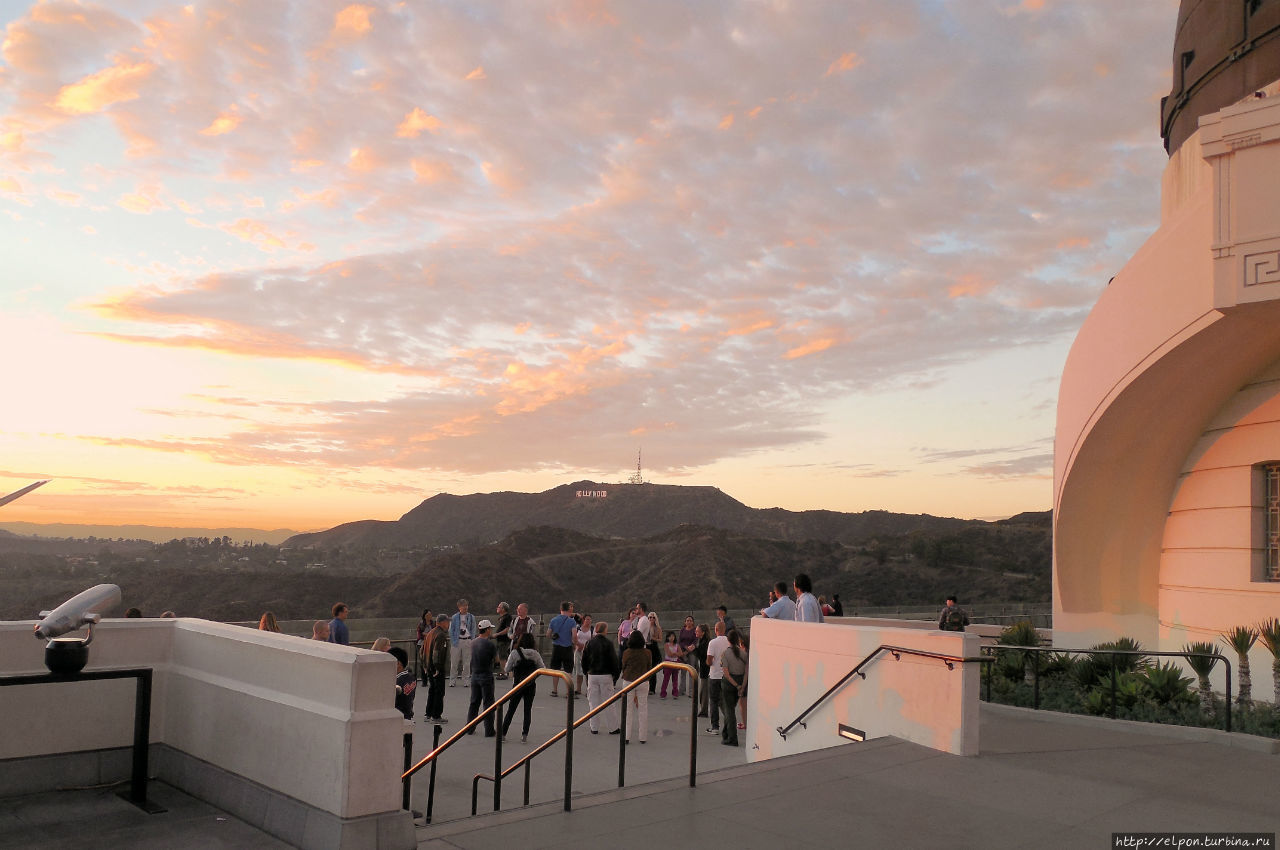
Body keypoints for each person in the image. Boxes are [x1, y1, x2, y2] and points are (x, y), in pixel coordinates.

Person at [502, 632, 545, 742]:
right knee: (527, 710)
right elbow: (542, 669)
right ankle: (524, 735)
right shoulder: (535, 654)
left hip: (517, 684)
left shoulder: (515, 653)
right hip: (530, 685)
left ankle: (503, 733)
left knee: (511, 709)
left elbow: (507, 669)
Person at [581, 621, 621, 735]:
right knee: (608, 703)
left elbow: (584, 660)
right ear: (605, 630)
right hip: (606, 675)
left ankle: (594, 727)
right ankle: (613, 728)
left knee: (593, 702)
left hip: (592, 674)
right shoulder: (608, 643)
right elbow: (614, 660)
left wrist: (586, 672)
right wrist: (615, 676)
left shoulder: (589, 643)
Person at [466, 619, 497, 736]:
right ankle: (489, 730)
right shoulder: (490, 645)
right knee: (488, 703)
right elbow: (497, 660)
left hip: (475, 675)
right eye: (491, 629)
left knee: (474, 702)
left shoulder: (473, 642)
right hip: (486, 675)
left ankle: (469, 727)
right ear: (487, 629)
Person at [619, 631, 650, 744]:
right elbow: (649, 667)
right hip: (643, 680)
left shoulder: (627, 652)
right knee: (643, 709)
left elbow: (623, 666)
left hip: (628, 680)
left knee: (628, 709)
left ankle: (626, 736)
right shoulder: (647, 652)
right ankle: (643, 737)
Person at [719, 629, 748, 747]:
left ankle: (732, 737)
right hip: (741, 681)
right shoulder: (744, 654)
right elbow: (746, 672)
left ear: (728, 640)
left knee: (729, 711)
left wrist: (736, 685)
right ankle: (726, 733)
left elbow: (726, 673)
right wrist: (742, 686)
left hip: (729, 684)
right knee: (730, 709)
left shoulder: (725, 653)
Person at [423, 614, 450, 723]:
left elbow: (423, 650)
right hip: (436, 667)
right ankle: (436, 716)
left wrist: (425, 665)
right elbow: (437, 653)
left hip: (429, 666)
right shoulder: (441, 635)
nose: (448, 625)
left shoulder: (430, 633)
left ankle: (428, 713)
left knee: (432, 690)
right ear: (443, 622)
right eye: (447, 622)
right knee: (439, 691)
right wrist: (438, 668)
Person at [547, 601, 577, 697]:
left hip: (556, 647)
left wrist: (554, 636)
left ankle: (554, 690)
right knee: (568, 670)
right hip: (567, 648)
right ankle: (569, 692)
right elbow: (574, 636)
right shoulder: (571, 621)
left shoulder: (553, 620)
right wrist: (575, 644)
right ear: (569, 609)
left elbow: (548, 634)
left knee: (556, 669)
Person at [705, 621, 729, 735]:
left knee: (714, 701)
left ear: (716, 629)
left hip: (714, 675)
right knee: (725, 701)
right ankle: (730, 723)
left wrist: (708, 662)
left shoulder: (712, 643)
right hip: (726, 675)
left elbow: (709, 661)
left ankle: (715, 727)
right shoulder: (729, 642)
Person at [449, 599, 476, 687]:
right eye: (463, 606)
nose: (465, 607)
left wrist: (472, 640)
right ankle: (452, 680)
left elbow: (473, 629)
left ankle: (466, 680)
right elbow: (451, 630)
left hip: (467, 640)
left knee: (467, 662)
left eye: (466, 605)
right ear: (459, 607)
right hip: (457, 640)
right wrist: (453, 640)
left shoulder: (471, 617)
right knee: (454, 662)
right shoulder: (454, 617)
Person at [389, 646, 415, 720]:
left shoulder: (397, 681)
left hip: (397, 718)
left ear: (397, 664)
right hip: (407, 715)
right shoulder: (411, 677)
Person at [677, 615, 698, 697]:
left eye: (690, 620)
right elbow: (680, 641)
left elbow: (695, 641)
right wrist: (685, 649)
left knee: (691, 672)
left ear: (693, 622)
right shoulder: (682, 630)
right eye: (687, 620)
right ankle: (682, 690)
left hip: (692, 653)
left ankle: (691, 692)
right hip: (683, 653)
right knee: (683, 672)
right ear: (685, 622)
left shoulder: (695, 630)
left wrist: (689, 649)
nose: (689, 622)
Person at [574, 614, 594, 693]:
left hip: (588, 652)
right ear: (583, 620)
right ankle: (578, 689)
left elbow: (594, 640)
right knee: (578, 670)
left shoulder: (592, 629)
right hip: (578, 651)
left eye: (590, 619)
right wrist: (578, 645)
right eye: (587, 619)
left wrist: (586, 647)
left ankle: (588, 689)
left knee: (588, 671)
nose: (588, 621)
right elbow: (574, 638)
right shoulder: (578, 628)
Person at [694, 623, 711, 717]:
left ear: (703, 632)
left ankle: (704, 711)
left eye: (697, 631)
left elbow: (702, 656)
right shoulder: (702, 641)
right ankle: (703, 709)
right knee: (703, 691)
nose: (695, 632)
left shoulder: (705, 642)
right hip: (704, 669)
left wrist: (694, 650)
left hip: (706, 670)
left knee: (704, 692)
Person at [643, 609, 661, 693]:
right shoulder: (645, 627)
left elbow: (660, 639)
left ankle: (652, 689)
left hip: (653, 648)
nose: (651, 619)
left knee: (653, 669)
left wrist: (654, 638)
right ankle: (645, 687)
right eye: (650, 617)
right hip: (646, 647)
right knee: (645, 668)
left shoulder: (657, 628)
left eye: (653, 617)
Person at [494, 602, 513, 679]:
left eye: (499, 607)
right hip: (500, 640)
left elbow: (507, 629)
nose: (497, 608)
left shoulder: (507, 617)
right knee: (500, 655)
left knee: (503, 656)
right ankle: (504, 671)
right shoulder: (501, 618)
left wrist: (497, 634)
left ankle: (505, 673)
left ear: (503, 609)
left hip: (504, 640)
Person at [659, 632, 681, 698]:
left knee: (675, 679)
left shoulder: (677, 645)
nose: (671, 638)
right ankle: (663, 693)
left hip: (675, 662)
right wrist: (676, 653)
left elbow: (681, 653)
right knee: (666, 678)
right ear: (667, 637)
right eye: (670, 636)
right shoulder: (666, 645)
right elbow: (669, 654)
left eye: (673, 636)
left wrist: (674, 653)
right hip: (668, 662)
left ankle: (675, 693)